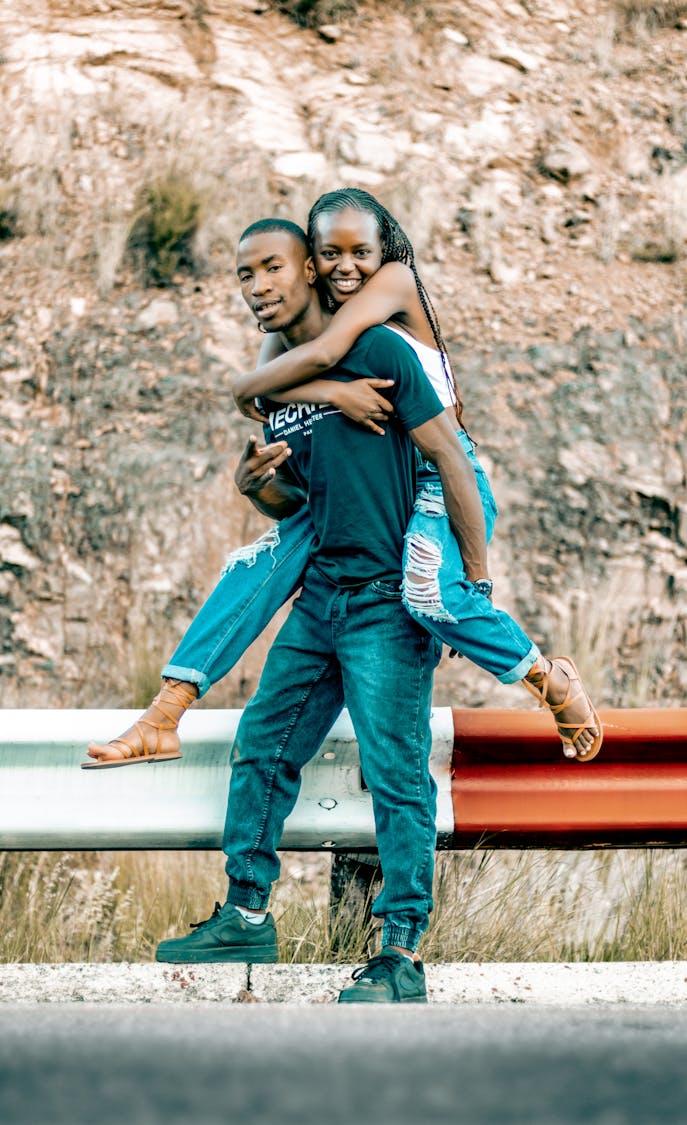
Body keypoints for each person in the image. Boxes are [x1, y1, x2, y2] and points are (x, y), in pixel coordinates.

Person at [84, 189, 602, 769]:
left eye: (361, 251)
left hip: (440, 478)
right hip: (370, 489)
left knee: (431, 593)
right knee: (260, 562)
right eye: (330, 253)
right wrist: (330, 393)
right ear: (312, 259)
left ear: (385, 250)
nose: (346, 266)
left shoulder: (394, 283)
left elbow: (281, 374)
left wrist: (478, 576)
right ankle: (165, 712)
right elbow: (263, 398)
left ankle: (545, 677)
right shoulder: (291, 321)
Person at [154, 217, 482, 1002]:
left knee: (396, 775)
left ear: (308, 269)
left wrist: (471, 588)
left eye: (271, 268)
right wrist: (255, 485)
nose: (257, 286)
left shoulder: (383, 349)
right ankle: (245, 911)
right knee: (261, 747)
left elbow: (448, 455)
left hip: (384, 606)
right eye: (244, 275)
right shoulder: (278, 386)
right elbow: (296, 503)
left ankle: (400, 954)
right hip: (320, 603)